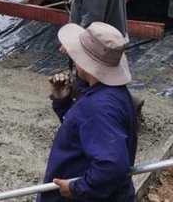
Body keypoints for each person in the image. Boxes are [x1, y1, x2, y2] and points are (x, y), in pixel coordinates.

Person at [39, 22, 138, 202]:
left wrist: (77, 189)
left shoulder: (98, 106)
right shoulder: (111, 93)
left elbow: (112, 165)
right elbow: (86, 132)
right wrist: (63, 103)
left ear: (84, 64)